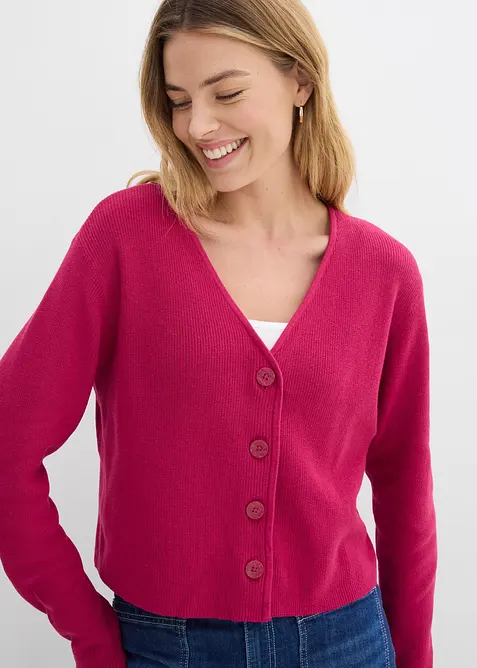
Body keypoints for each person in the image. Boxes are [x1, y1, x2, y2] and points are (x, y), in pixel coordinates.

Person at [0, 0, 437, 667]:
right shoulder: (125, 239)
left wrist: (415, 656)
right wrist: (92, 636)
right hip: (164, 645)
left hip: (347, 641)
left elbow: (405, 489)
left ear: (300, 80)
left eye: (226, 93)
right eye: (178, 101)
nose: (197, 126)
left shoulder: (384, 273)